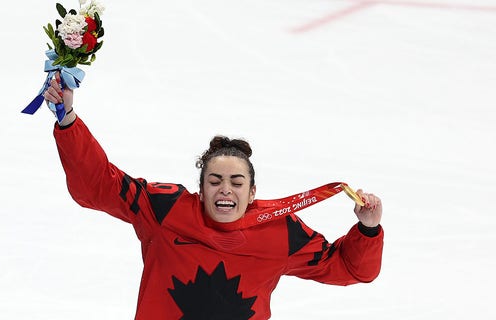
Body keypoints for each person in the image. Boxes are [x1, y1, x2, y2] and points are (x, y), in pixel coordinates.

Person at [42, 73, 383, 320]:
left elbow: (349, 269)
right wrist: (68, 119)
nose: (225, 189)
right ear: (200, 187)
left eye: (236, 182)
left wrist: (368, 230)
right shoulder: (166, 209)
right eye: (215, 180)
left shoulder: (281, 231)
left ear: (252, 193)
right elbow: (96, 186)